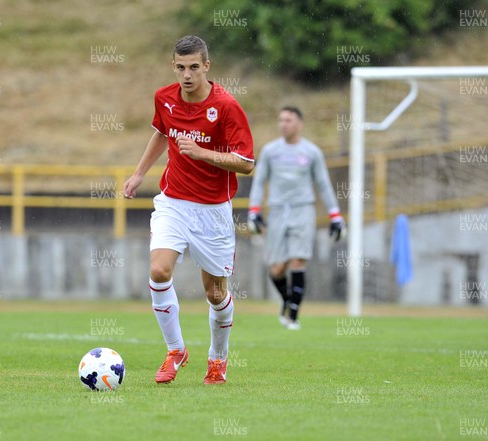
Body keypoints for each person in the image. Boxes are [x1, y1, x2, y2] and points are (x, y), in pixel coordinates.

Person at [123, 35, 254, 384]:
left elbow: (246, 163)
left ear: (207, 66)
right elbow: (161, 134)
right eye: (180, 67)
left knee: (215, 293)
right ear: (173, 66)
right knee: (159, 271)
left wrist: (203, 153)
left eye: (194, 67)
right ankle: (176, 350)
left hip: (213, 211)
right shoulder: (164, 98)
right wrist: (138, 174)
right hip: (174, 202)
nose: (187, 75)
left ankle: (217, 358)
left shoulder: (226, 107)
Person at [247, 106, 344, 330]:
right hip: (278, 211)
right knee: (277, 268)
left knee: (298, 260)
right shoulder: (271, 151)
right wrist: (254, 210)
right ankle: (286, 300)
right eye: (281, 120)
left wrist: (335, 215)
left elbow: (323, 184)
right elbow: (259, 182)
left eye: (289, 120)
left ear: (299, 124)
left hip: (303, 210)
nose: (284, 124)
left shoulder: (312, 152)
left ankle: (293, 315)